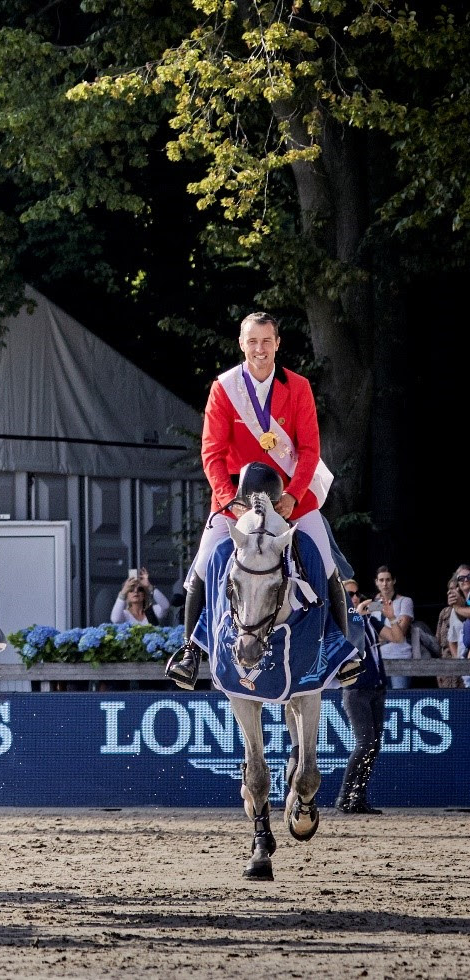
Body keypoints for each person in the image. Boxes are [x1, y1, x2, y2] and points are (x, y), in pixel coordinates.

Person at [166, 311, 359, 689]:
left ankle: (341, 648)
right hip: (237, 498)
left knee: (325, 560)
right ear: (242, 344)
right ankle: (190, 651)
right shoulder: (224, 389)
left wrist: (293, 495)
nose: (259, 349)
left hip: (289, 497)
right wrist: (227, 499)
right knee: (203, 564)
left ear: (277, 344)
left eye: (266, 341)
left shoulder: (298, 387)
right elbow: (212, 453)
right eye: (252, 341)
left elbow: (308, 449)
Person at [336, 582, 387, 814]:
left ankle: (358, 796)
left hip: (375, 688)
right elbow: (348, 645)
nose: (356, 597)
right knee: (365, 743)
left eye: (357, 593)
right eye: (350, 594)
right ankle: (345, 797)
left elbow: (395, 636)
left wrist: (389, 615)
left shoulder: (368, 620)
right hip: (356, 690)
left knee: (373, 746)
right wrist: (357, 616)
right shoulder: (341, 622)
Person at [356, 566, 413, 690]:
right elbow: (369, 631)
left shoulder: (404, 601)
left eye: (388, 580)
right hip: (378, 658)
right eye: (381, 580)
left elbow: (401, 632)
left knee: (399, 697)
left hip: (399, 656)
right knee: (380, 697)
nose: (385, 584)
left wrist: (384, 634)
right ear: (376, 582)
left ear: (394, 581)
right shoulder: (372, 604)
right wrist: (390, 630)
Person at [433, 565, 469, 690]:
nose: (465, 580)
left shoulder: (459, 607)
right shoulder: (452, 611)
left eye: (468, 577)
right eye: (461, 578)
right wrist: (459, 662)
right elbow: (451, 640)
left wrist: (458, 607)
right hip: (463, 666)